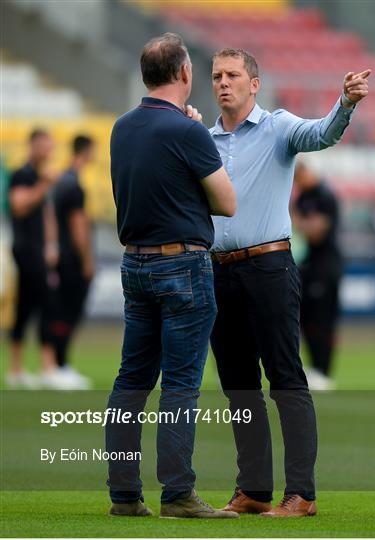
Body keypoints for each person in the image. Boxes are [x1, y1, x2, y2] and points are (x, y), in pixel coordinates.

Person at [208, 48, 370, 517]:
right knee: (238, 385)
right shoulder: (201, 139)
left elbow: (322, 134)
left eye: (233, 75)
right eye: (217, 75)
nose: (223, 83)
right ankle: (254, 489)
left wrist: (346, 103)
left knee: (285, 378)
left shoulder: (278, 126)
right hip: (220, 270)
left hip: (269, 267)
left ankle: (301, 493)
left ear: (254, 84)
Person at [106, 33, 237, 519]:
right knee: (181, 384)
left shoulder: (122, 127)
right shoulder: (188, 132)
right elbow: (226, 202)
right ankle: (178, 493)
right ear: (184, 74)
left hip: (134, 263)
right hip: (182, 263)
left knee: (130, 381)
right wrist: (197, 138)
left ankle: (123, 494)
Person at [7, 129, 75, 389]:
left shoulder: (37, 177)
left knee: (26, 306)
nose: (48, 152)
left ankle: (17, 369)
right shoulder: (22, 175)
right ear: (32, 146)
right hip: (25, 250)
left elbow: (46, 216)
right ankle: (47, 367)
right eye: (44, 146)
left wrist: (52, 245)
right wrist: (44, 185)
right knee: (47, 303)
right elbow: (19, 205)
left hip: (39, 250)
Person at [49, 135, 96, 390]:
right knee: (70, 311)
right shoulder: (74, 186)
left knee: (62, 310)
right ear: (86, 151)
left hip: (62, 255)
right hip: (72, 260)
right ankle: (60, 365)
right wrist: (87, 259)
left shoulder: (62, 180)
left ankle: (58, 364)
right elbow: (78, 227)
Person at [292, 163, 343, 391]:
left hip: (326, 266)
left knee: (323, 320)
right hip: (308, 264)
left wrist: (296, 220)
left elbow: (316, 232)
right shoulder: (303, 197)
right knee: (306, 319)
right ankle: (314, 368)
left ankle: (324, 370)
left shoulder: (324, 196)